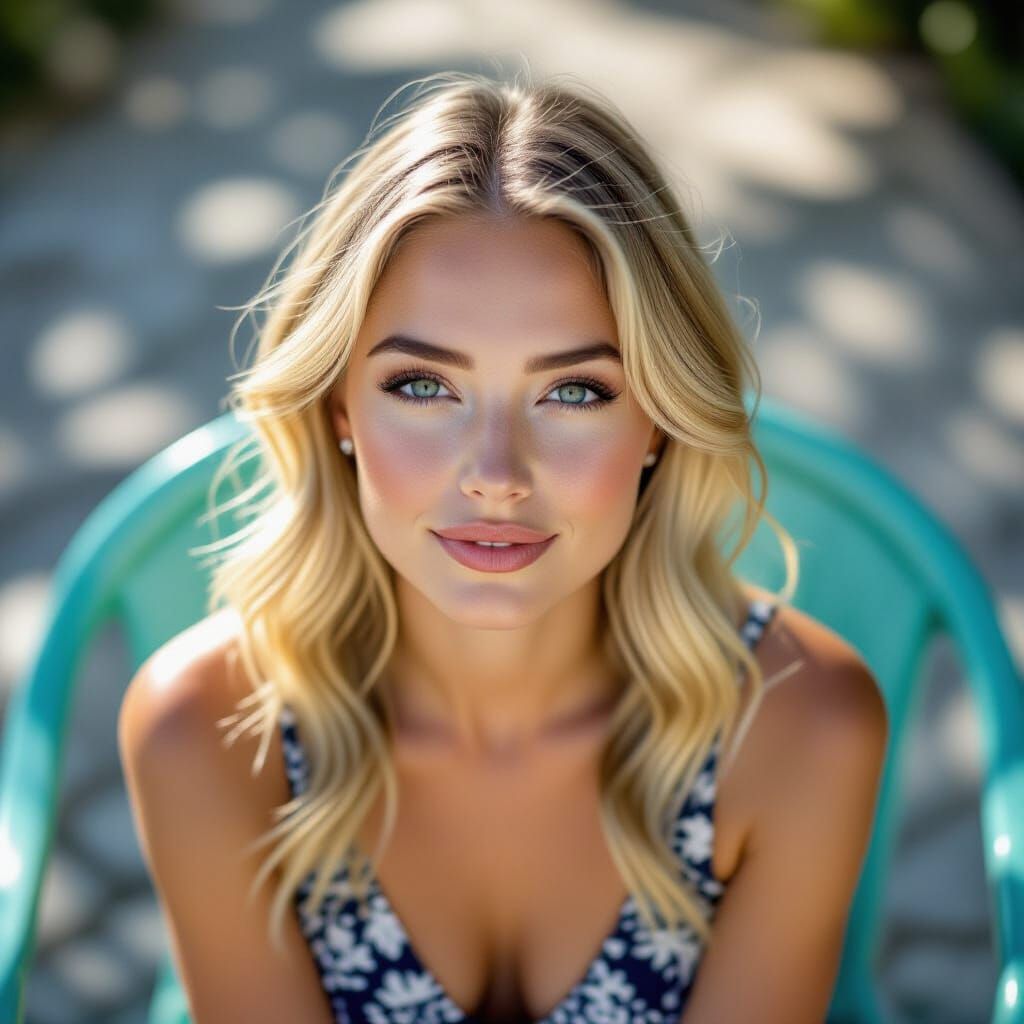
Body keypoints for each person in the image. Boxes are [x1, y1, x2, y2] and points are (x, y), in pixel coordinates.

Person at [118, 69, 889, 1024]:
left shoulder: (800, 727)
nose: (496, 473)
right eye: (422, 385)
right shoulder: (204, 732)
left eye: (574, 392)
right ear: (338, 406)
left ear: (659, 421)